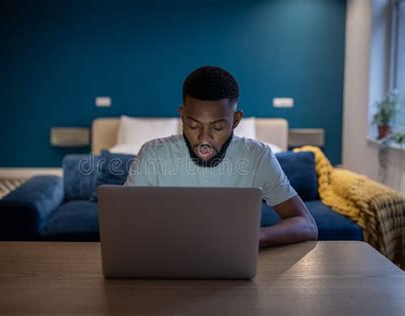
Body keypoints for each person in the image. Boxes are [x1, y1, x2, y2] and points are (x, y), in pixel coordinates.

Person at [124, 66, 318, 247]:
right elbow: (124, 223)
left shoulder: (257, 156)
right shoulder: (153, 154)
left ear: (235, 120)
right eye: (193, 125)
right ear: (182, 116)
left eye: (217, 127)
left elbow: (307, 225)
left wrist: (255, 237)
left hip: (234, 270)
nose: (204, 139)